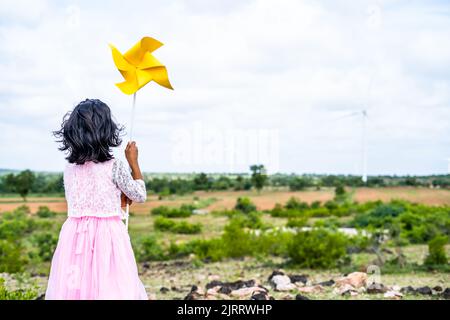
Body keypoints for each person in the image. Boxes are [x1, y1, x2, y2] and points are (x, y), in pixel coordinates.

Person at [45, 98, 148, 299]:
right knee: (111, 288)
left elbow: (90, 197)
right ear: (107, 131)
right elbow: (139, 194)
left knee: (77, 289)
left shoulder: (69, 169)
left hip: (74, 238)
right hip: (107, 237)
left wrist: (117, 197)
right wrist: (133, 162)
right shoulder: (115, 165)